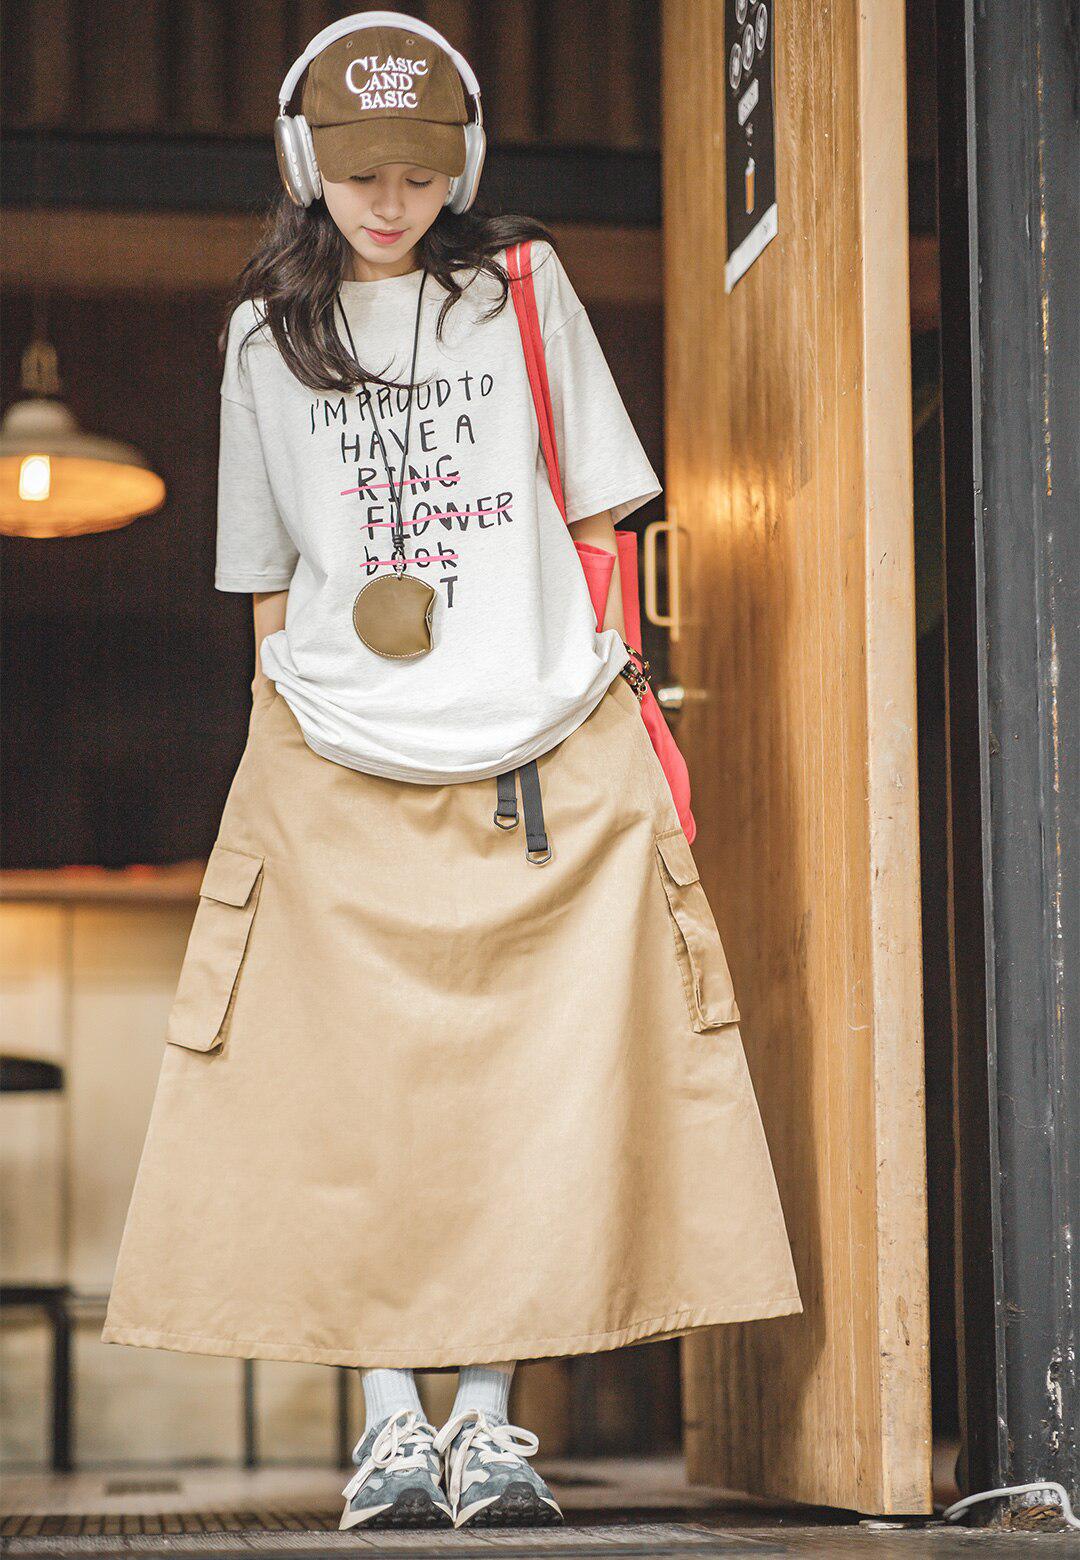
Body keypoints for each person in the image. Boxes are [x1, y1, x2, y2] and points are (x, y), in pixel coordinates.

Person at [101, 10, 801, 1534]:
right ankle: (385, 1426)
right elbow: (264, 579)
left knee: (531, 1089)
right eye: (362, 171)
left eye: (420, 171)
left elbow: (602, 519)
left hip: (537, 743)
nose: (390, 200)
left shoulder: (521, 290)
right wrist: (276, 739)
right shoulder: (261, 336)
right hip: (334, 752)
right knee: (350, 1100)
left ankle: (486, 1421)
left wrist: (595, 687)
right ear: (304, 161)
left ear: (462, 164)